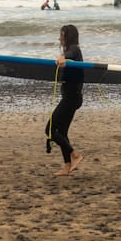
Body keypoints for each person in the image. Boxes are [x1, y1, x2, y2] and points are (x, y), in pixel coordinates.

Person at [45, 24, 84, 177]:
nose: (59, 38)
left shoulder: (74, 49)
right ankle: (67, 167)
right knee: (62, 132)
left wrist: (63, 57)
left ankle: (75, 155)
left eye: (61, 35)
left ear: (67, 37)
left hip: (71, 98)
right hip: (72, 97)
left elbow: (70, 54)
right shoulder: (74, 51)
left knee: (49, 130)